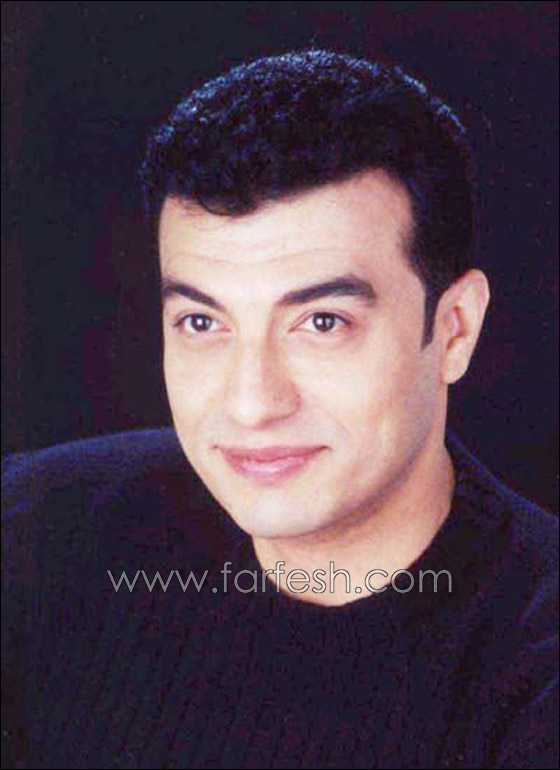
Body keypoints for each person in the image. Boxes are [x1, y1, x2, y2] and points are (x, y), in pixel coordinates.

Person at [2, 48, 558, 769]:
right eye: (203, 322)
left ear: (454, 330)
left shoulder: (533, 676)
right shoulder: (35, 532)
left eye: (322, 322)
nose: (252, 403)